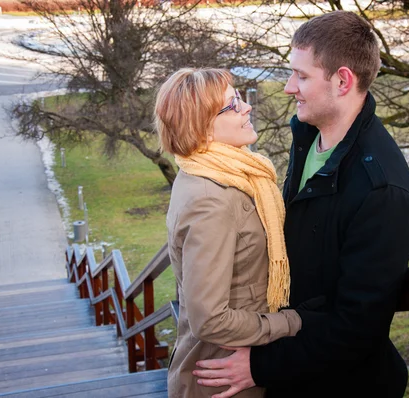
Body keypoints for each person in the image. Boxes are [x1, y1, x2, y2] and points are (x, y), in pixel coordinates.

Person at [193, 10, 409, 398]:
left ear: (343, 80)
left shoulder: (382, 191)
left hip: (343, 387)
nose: (287, 87)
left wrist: (260, 366)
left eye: (301, 76)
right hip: (294, 366)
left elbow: (357, 328)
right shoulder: (308, 135)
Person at [154, 67, 303, 398]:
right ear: (203, 129)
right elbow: (209, 319)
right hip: (221, 378)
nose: (247, 107)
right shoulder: (210, 199)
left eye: (240, 98)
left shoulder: (223, 172)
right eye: (233, 104)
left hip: (235, 365)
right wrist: (292, 323)